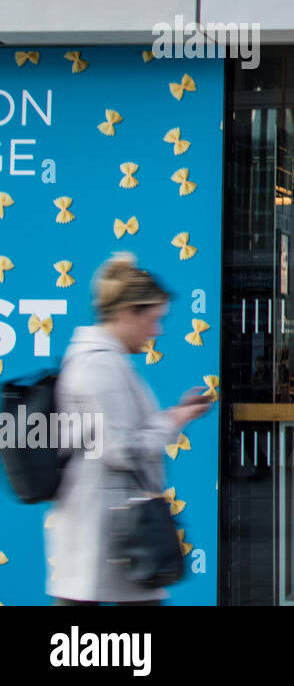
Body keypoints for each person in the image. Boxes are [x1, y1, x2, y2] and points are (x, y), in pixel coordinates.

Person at [46, 253, 211, 605]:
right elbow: (123, 449)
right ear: (126, 313)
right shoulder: (98, 366)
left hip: (110, 530)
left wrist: (174, 414)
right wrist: (176, 419)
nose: (157, 331)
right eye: (153, 320)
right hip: (108, 531)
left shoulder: (103, 361)